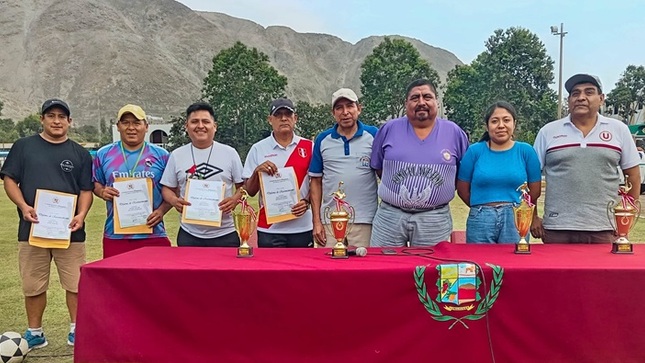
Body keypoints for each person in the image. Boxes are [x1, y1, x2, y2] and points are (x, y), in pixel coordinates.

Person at [0, 99, 93, 348]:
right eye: (50, 115)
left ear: (69, 122)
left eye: (62, 116)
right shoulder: (23, 147)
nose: (56, 121)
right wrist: (23, 206)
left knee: (74, 282)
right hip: (33, 228)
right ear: (41, 119)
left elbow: (86, 190)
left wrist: (81, 215)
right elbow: (10, 180)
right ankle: (35, 332)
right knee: (32, 284)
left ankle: (77, 329)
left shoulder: (80, 153)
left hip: (70, 231)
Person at [532, 74, 641, 243]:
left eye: (589, 92)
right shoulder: (548, 132)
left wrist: (626, 218)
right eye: (575, 93)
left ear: (601, 98)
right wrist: (532, 217)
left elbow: (633, 176)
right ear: (569, 101)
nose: (581, 98)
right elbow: (531, 177)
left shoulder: (619, 130)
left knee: (603, 271)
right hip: (557, 228)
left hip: (605, 228)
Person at [370, 79, 469, 247]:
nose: (421, 102)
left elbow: (462, 175)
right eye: (415, 98)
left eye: (427, 97)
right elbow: (379, 167)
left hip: (434, 218)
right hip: (390, 217)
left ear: (436, 101)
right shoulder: (388, 129)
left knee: (431, 269)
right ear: (406, 103)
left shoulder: (454, 132)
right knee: (383, 268)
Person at [92, 104, 172, 258]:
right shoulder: (104, 154)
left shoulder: (162, 155)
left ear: (146, 126)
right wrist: (102, 192)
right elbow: (96, 183)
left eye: (136, 123)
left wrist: (161, 211)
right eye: (126, 122)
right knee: (116, 281)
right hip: (116, 234)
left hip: (153, 233)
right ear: (118, 126)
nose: (131, 128)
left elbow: (172, 190)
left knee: (155, 281)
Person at [456, 101, 542, 243]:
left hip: (515, 220)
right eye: (495, 121)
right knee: (479, 263)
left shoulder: (526, 151)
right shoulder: (474, 152)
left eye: (506, 120)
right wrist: (482, 208)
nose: (501, 125)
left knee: (513, 263)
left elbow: (535, 190)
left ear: (514, 123)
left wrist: (521, 211)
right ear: (487, 126)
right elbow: (462, 189)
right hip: (480, 219)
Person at [161, 102, 244, 246]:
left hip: (225, 233)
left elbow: (243, 186)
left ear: (215, 126)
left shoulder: (230, 153)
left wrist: (234, 199)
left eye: (205, 121)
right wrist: (174, 201)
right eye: (194, 122)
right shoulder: (177, 155)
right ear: (186, 127)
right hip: (189, 234)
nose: (200, 126)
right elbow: (167, 188)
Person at [309, 88, 378, 247]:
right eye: (339, 108)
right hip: (330, 221)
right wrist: (317, 221)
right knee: (328, 270)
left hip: (365, 220)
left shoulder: (374, 135)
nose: (345, 112)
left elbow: (384, 173)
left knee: (363, 269)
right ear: (333, 113)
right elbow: (316, 181)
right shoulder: (323, 139)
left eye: (350, 106)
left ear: (358, 109)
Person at [242, 98, 313, 248]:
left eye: (288, 114)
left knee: (303, 271)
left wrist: (306, 202)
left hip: (302, 226)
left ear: (295, 118)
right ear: (270, 119)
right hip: (269, 228)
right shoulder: (258, 148)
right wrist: (257, 172)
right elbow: (250, 191)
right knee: (271, 272)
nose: (283, 118)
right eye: (278, 114)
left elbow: (318, 184)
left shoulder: (309, 146)